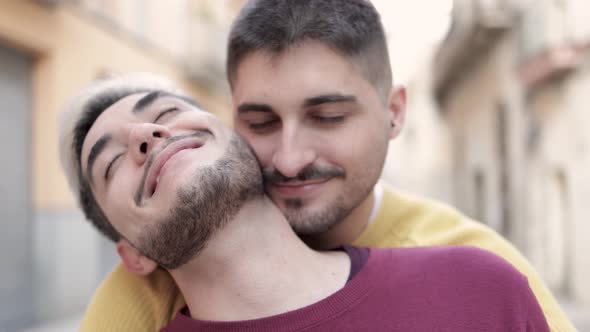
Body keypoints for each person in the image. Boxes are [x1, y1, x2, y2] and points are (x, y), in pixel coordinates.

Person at [66, 0, 574, 331]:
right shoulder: (146, 288)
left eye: (328, 117)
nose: (288, 159)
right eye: (260, 122)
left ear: (394, 112)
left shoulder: (475, 270)